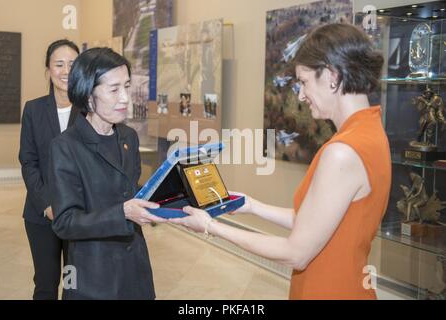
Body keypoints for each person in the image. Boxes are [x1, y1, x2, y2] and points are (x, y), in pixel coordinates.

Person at [170, 23, 391, 300]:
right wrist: (253, 206)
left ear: (332, 76)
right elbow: (318, 222)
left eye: (304, 81)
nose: (300, 94)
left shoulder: (342, 152)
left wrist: (209, 226)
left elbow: (295, 253)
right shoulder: (371, 132)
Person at [48, 48, 166, 300]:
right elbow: (65, 222)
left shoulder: (128, 137)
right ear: (88, 95)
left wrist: (166, 197)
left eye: (127, 86)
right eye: (114, 90)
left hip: (135, 269)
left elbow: (129, 191)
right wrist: (122, 212)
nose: (125, 98)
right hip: (94, 276)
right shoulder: (65, 147)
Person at [19, 39, 80, 300]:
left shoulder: (91, 111)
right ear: (48, 70)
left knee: (74, 281)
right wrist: (46, 204)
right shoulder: (33, 110)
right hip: (41, 216)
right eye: (59, 64)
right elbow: (28, 161)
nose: (66, 70)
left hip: (80, 217)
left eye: (73, 64)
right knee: (45, 282)